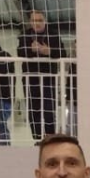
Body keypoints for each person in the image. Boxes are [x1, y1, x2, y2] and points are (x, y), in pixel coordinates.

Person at [18, 10, 62, 141]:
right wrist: (31, 50)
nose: (36, 23)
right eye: (34, 20)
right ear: (30, 22)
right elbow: (20, 52)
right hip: (30, 77)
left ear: (45, 21)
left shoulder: (53, 35)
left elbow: (62, 52)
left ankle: (50, 138)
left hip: (48, 77)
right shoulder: (24, 35)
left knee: (49, 109)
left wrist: (49, 51)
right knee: (33, 109)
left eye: (39, 20)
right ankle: (37, 139)